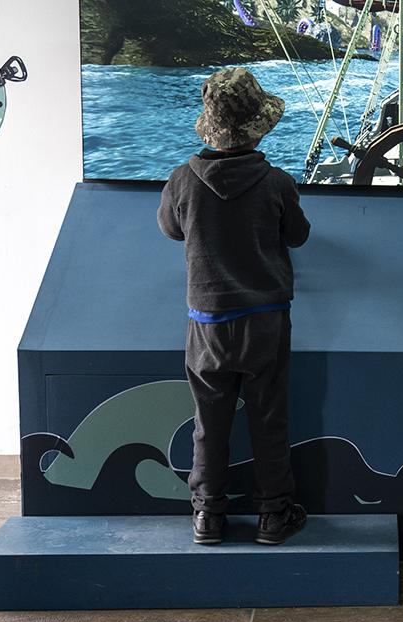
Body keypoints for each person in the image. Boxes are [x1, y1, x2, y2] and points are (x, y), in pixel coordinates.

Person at [157, 67, 311, 546]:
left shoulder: (182, 180)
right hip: (265, 321)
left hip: (207, 324)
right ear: (257, 127)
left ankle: (208, 516)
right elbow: (298, 236)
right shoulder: (277, 183)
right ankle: (273, 515)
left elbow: (170, 228)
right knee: (269, 419)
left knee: (210, 424)